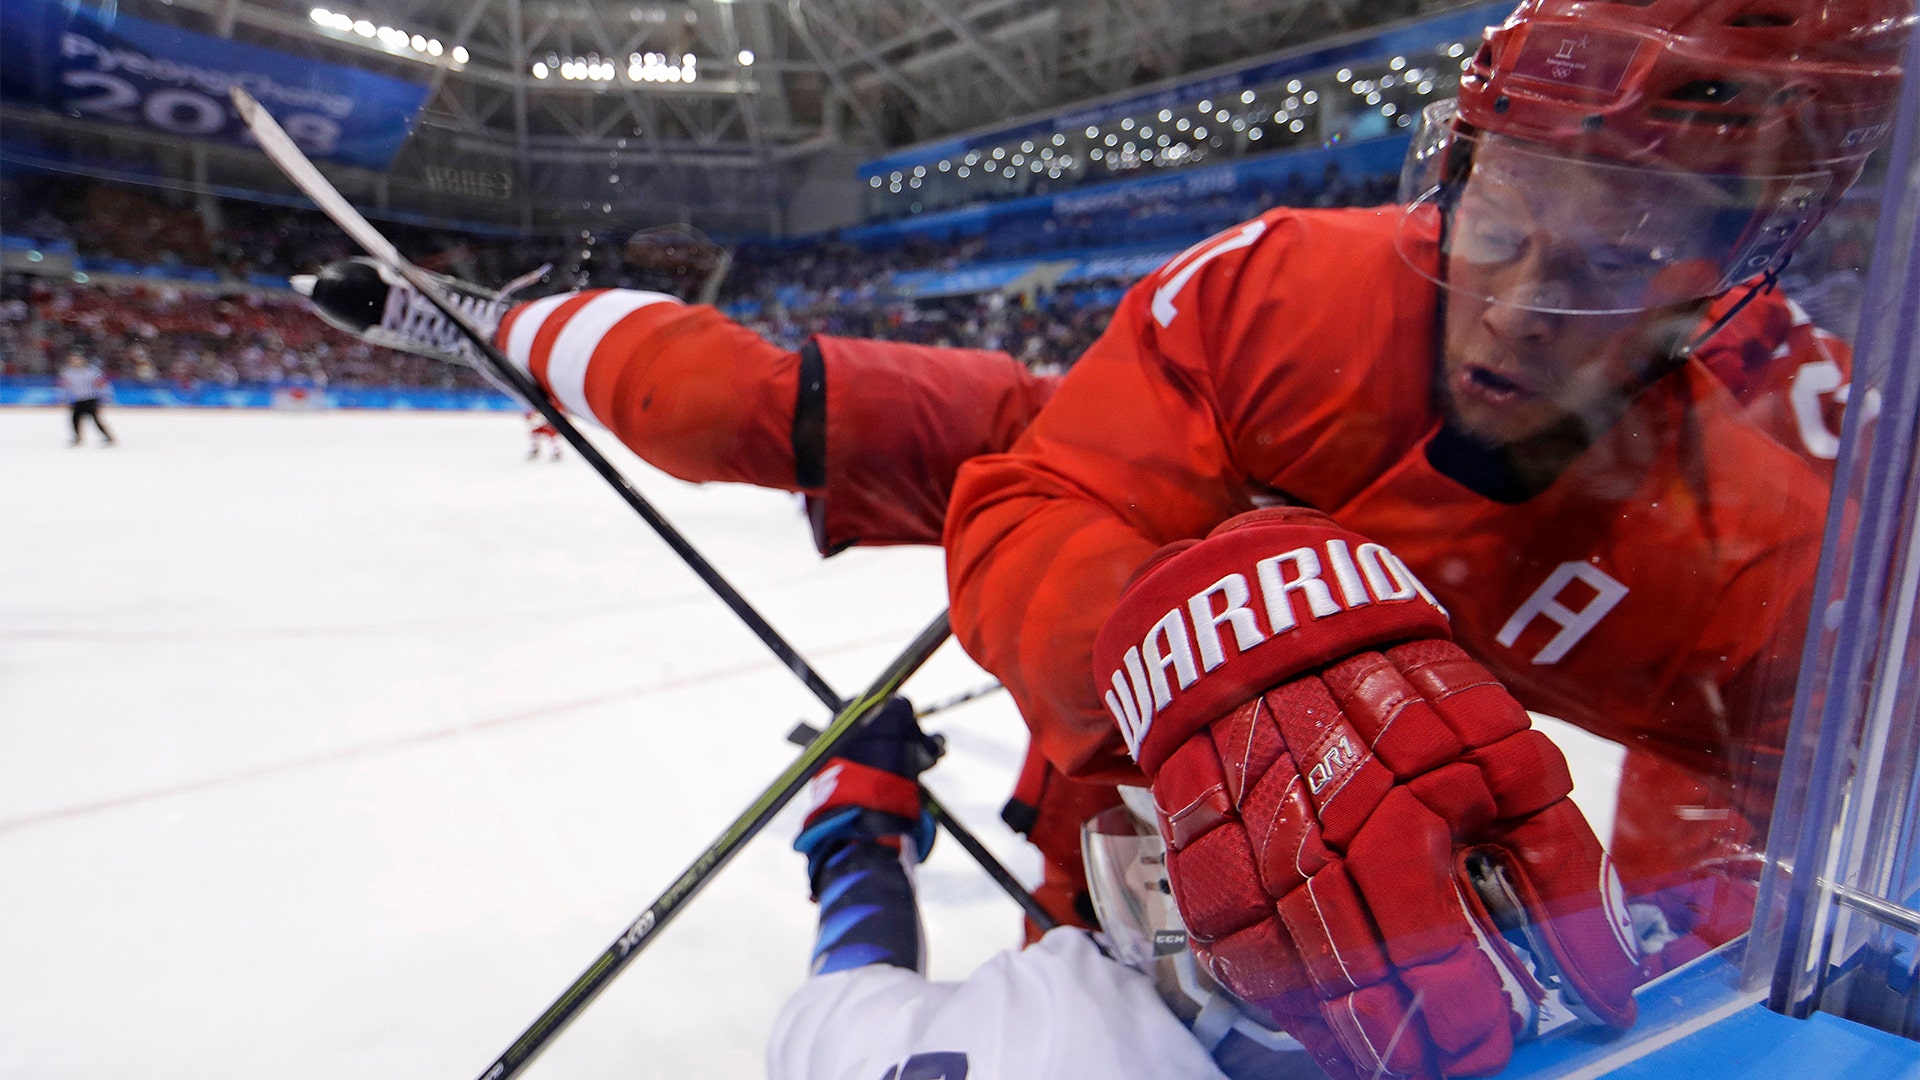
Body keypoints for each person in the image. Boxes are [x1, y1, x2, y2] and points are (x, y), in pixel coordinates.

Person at [59, 350, 115, 447]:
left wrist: (105, 396)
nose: (76, 362)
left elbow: (102, 384)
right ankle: (78, 437)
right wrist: (64, 398)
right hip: (78, 399)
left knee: (96, 419)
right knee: (75, 419)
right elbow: (65, 386)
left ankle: (108, 436)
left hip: (90, 399)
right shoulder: (68, 372)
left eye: (78, 360)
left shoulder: (91, 371)